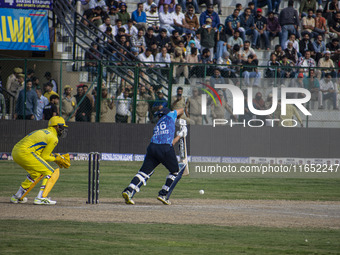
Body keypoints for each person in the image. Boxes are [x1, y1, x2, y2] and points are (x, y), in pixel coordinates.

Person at [122, 107, 187, 205]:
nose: (158, 117)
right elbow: (182, 109)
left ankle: (129, 190)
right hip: (165, 148)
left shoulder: (157, 125)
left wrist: (176, 122)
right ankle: (163, 194)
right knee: (175, 171)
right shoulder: (170, 115)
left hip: (152, 147)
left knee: (143, 173)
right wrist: (180, 134)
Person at [10, 116, 69, 205]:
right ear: (57, 126)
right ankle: (41, 197)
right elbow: (44, 157)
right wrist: (56, 159)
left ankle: (17, 196)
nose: (63, 130)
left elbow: (41, 153)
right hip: (26, 152)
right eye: (62, 127)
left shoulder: (43, 131)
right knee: (51, 172)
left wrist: (54, 157)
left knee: (36, 173)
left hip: (15, 151)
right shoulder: (53, 138)